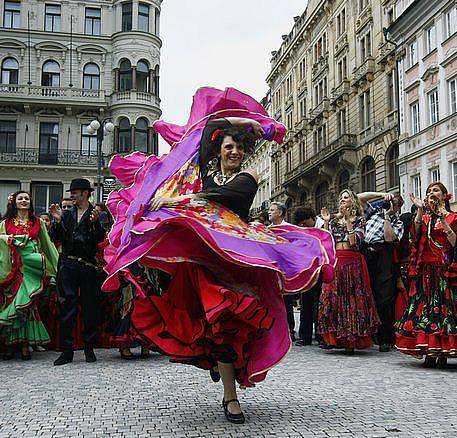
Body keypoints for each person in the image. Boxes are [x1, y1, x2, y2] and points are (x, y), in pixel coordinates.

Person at [102, 87, 335, 424]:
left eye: (240, 147)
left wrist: (174, 203)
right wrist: (238, 122)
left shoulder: (247, 178)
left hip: (237, 261)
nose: (236, 152)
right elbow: (202, 132)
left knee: (229, 325)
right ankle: (227, 387)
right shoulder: (204, 172)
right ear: (219, 151)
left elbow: (218, 198)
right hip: (205, 262)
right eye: (229, 147)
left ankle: (228, 386)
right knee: (213, 322)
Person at [396, 182, 457, 368]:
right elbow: (413, 238)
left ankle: (443, 351)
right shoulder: (425, 219)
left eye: (436, 190)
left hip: (444, 270)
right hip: (425, 272)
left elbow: (454, 242)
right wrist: (420, 211)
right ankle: (429, 350)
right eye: (429, 191)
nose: (432, 193)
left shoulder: (453, 217)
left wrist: (444, 221)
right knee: (425, 310)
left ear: (445, 195)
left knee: (444, 310)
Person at [49, 178, 105, 365]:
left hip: (88, 265)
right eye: (71, 192)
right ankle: (67, 351)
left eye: (74, 192)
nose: (72, 195)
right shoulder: (67, 214)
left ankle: (89, 348)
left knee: (90, 308)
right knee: (66, 307)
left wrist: (95, 223)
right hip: (68, 264)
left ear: (85, 193)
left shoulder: (97, 214)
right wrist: (57, 222)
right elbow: (55, 238)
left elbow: (101, 239)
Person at [318, 190, 380, 353]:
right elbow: (328, 242)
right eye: (341, 198)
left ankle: (352, 339)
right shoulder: (334, 220)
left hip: (352, 261)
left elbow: (354, 242)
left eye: (345, 198)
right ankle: (334, 338)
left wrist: (348, 222)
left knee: (351, 299)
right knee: (333, 298)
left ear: (352, 201)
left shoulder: (359, 219)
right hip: (337, 260)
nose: (342, 201)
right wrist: (326, 223)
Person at [0, 191, 58, 359]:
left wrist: (55, 266)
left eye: (26, 198)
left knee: (28, 306)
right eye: (20, 198)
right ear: (14, 203)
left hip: (31, 269)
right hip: (12, 268)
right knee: (12, 304)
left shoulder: (37, 222)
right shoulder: (5, 223)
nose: (24, 201)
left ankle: (25, 345)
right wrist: (9, 240)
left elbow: (47, 245)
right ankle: (11, 345)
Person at [357, 191, 404, 352]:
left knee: (384, 297)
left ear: (398, 207)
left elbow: (389, 238)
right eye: (390, 202)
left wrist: (387, 217)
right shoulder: (373, 213)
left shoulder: (397, 222)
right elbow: (358, 198)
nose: (390, 205)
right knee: (366, 294)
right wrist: (382, 194)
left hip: (384, 254)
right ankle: (371, 334)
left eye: (394, 204)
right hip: (366, 253)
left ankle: (386, 338)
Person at [268, 202, 298, 340]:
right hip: (271, 271)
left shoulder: (290, 229)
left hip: (285, 271)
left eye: (272, 210)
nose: (269, 212)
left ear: (280, 213)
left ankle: (289, 330)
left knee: (287, 302)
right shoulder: (266, 230)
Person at [294, 207, 323, 346]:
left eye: (305, 223)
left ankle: (321, 334)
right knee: (306, 302)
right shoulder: (302, 230)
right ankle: (305, 336)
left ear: (312, 218)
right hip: (308, 270)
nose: (303, 226)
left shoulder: (323, 225)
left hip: (322, 270)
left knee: (321, 303)